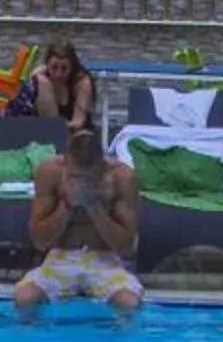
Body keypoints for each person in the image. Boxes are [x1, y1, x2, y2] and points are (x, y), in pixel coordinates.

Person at [14, 129, 142, 318]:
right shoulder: (50, 172)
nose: (83, 182)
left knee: (128, 303)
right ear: (65, 163)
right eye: (76, 176)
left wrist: (96, 207)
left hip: (106, 260)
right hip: (60, 258)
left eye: (89, 178)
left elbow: (126, 248)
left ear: (102, 165)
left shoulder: (122, 177)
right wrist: (66, 205)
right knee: (24, 299)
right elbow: (39, 242)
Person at [9, 40, 97, 134]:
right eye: (54, 68)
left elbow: (79, 122)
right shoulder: (39, 78)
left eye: (64, 69)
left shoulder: (82, 82)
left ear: (72, 67)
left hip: (72, 132)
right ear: (47, 65)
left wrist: (57, 125)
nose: (58, 74)